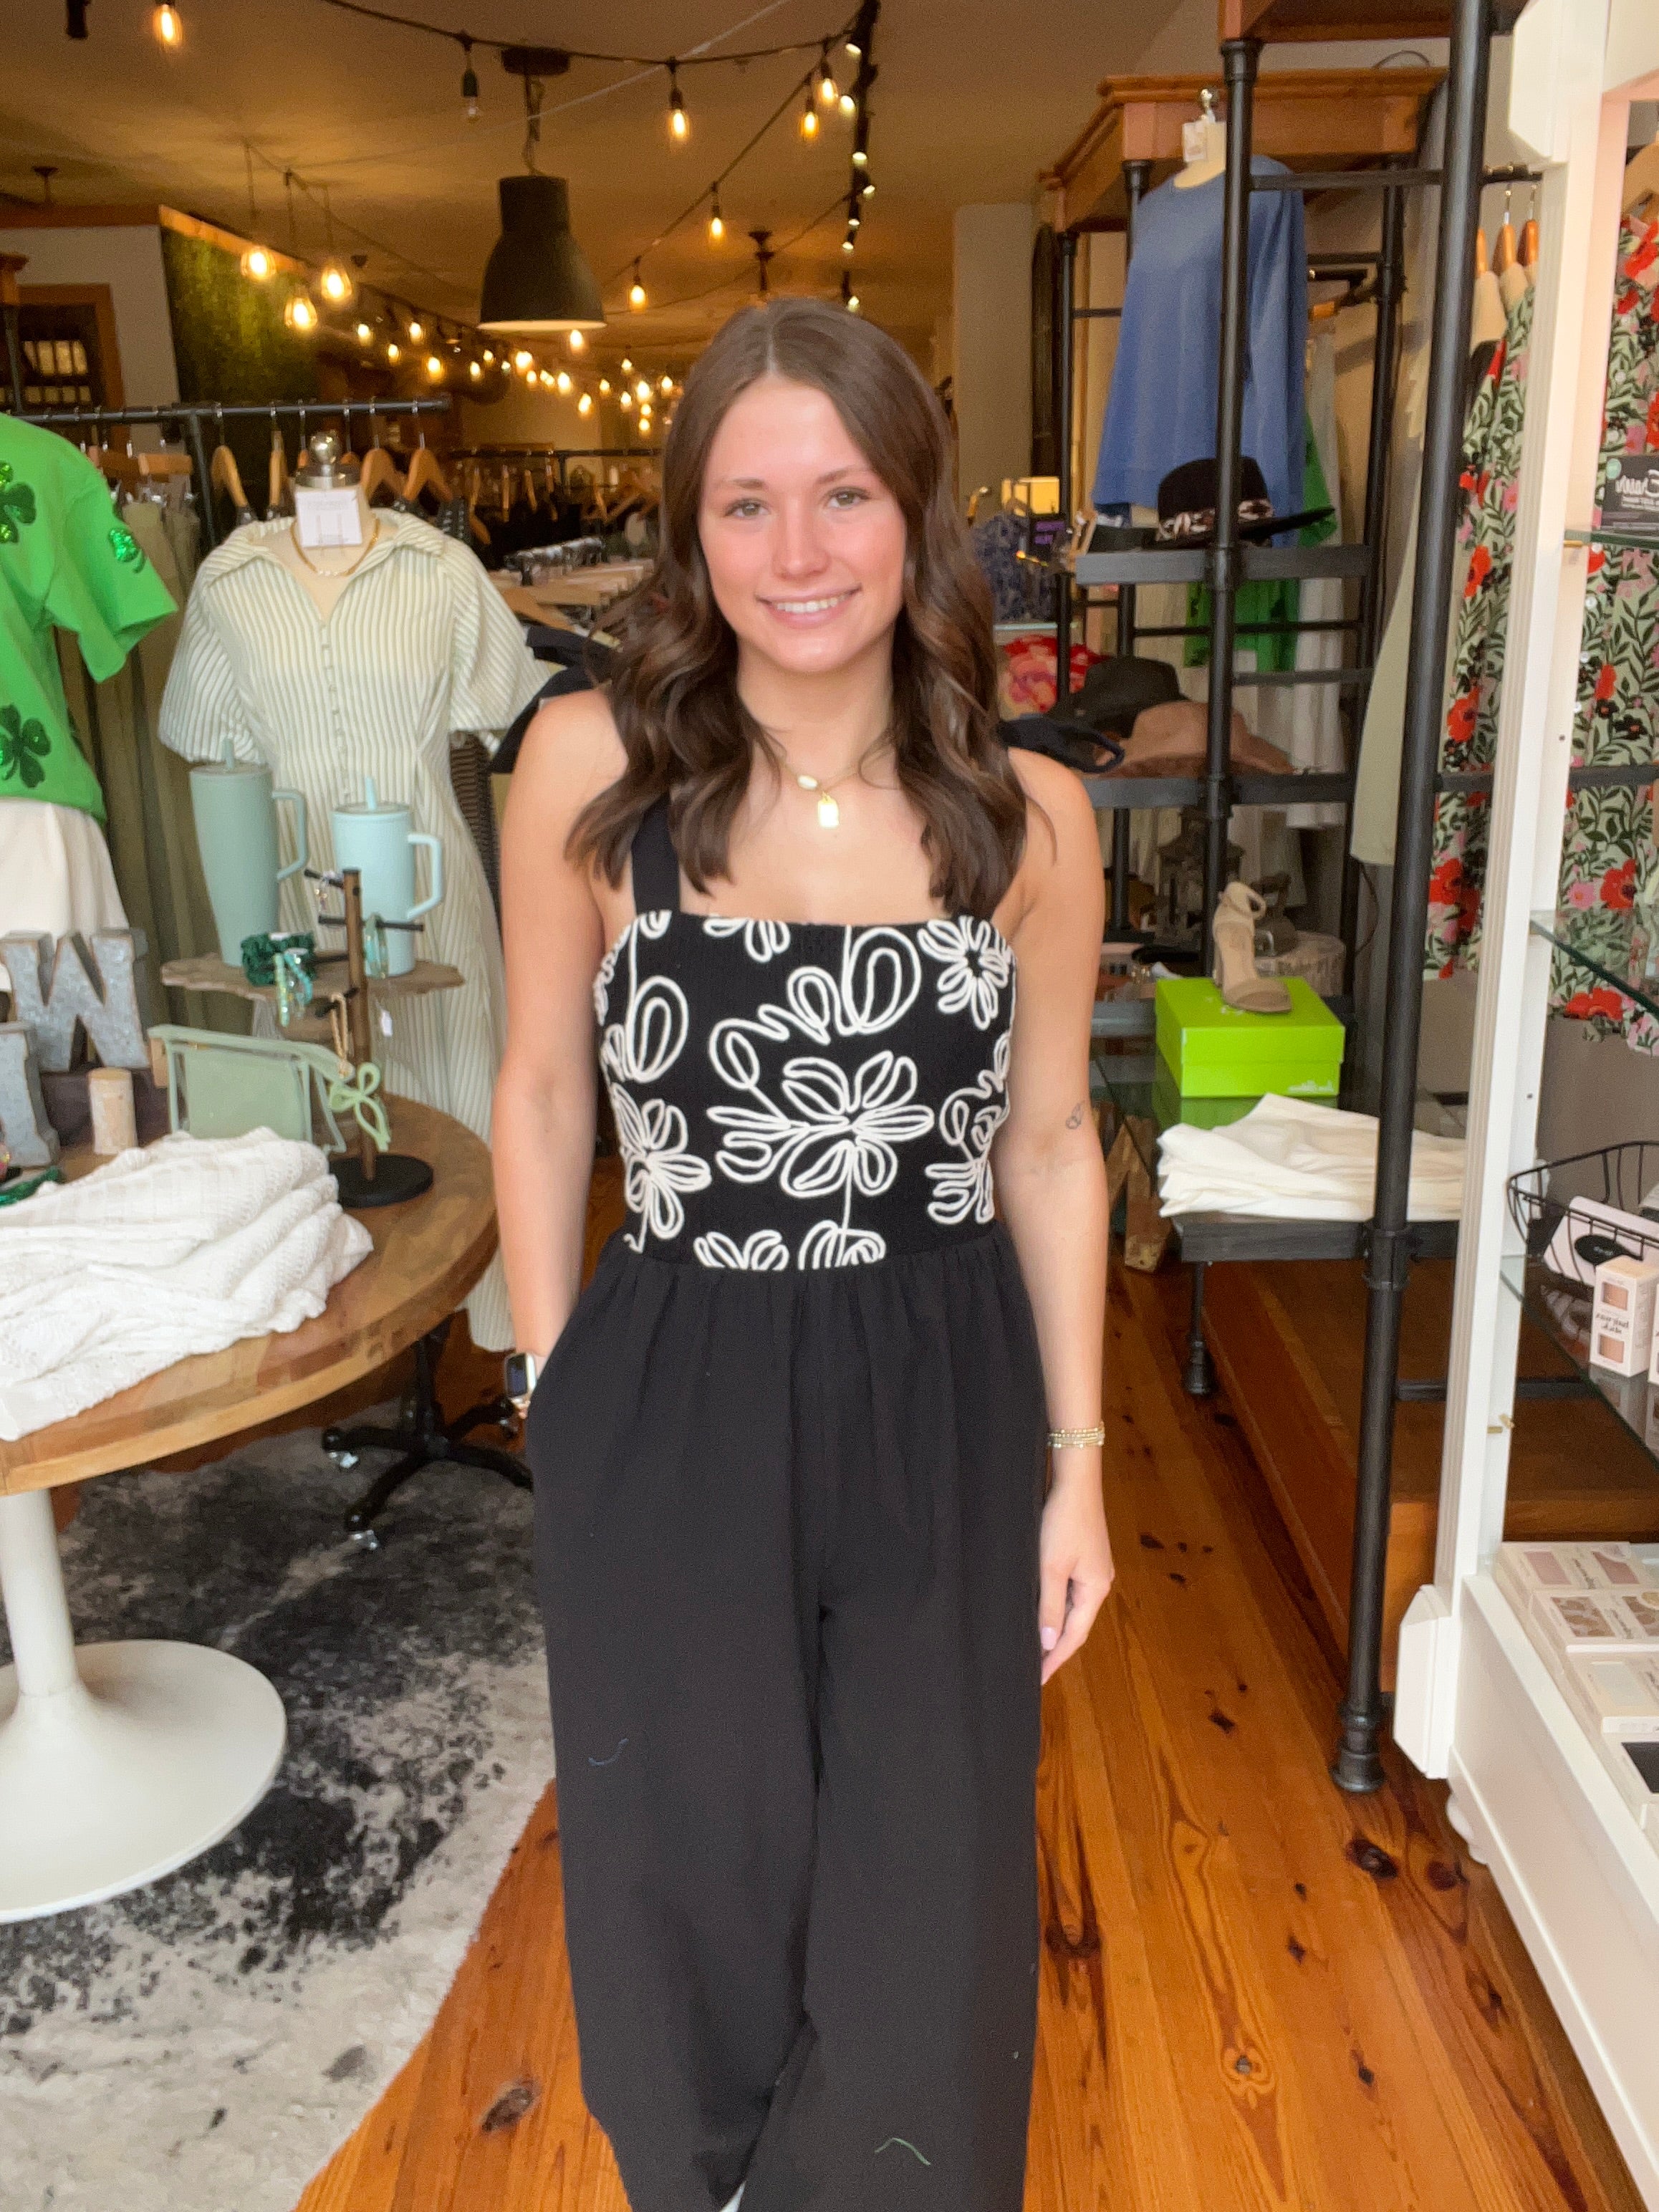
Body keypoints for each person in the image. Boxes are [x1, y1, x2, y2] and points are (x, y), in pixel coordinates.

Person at [493, 296, 1114, 2212]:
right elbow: (542, 1090)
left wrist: (1080, 1466)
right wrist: (549, 1381)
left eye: (841, 495)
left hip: (940, 1383)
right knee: (685, 1858)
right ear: (690, 530)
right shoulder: (587, 769)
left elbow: (1049, 1144)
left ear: (916, 511)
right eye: (744, 504)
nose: (796, 553)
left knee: (933, 1874)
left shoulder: (1028, 817)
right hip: (674, 1370)